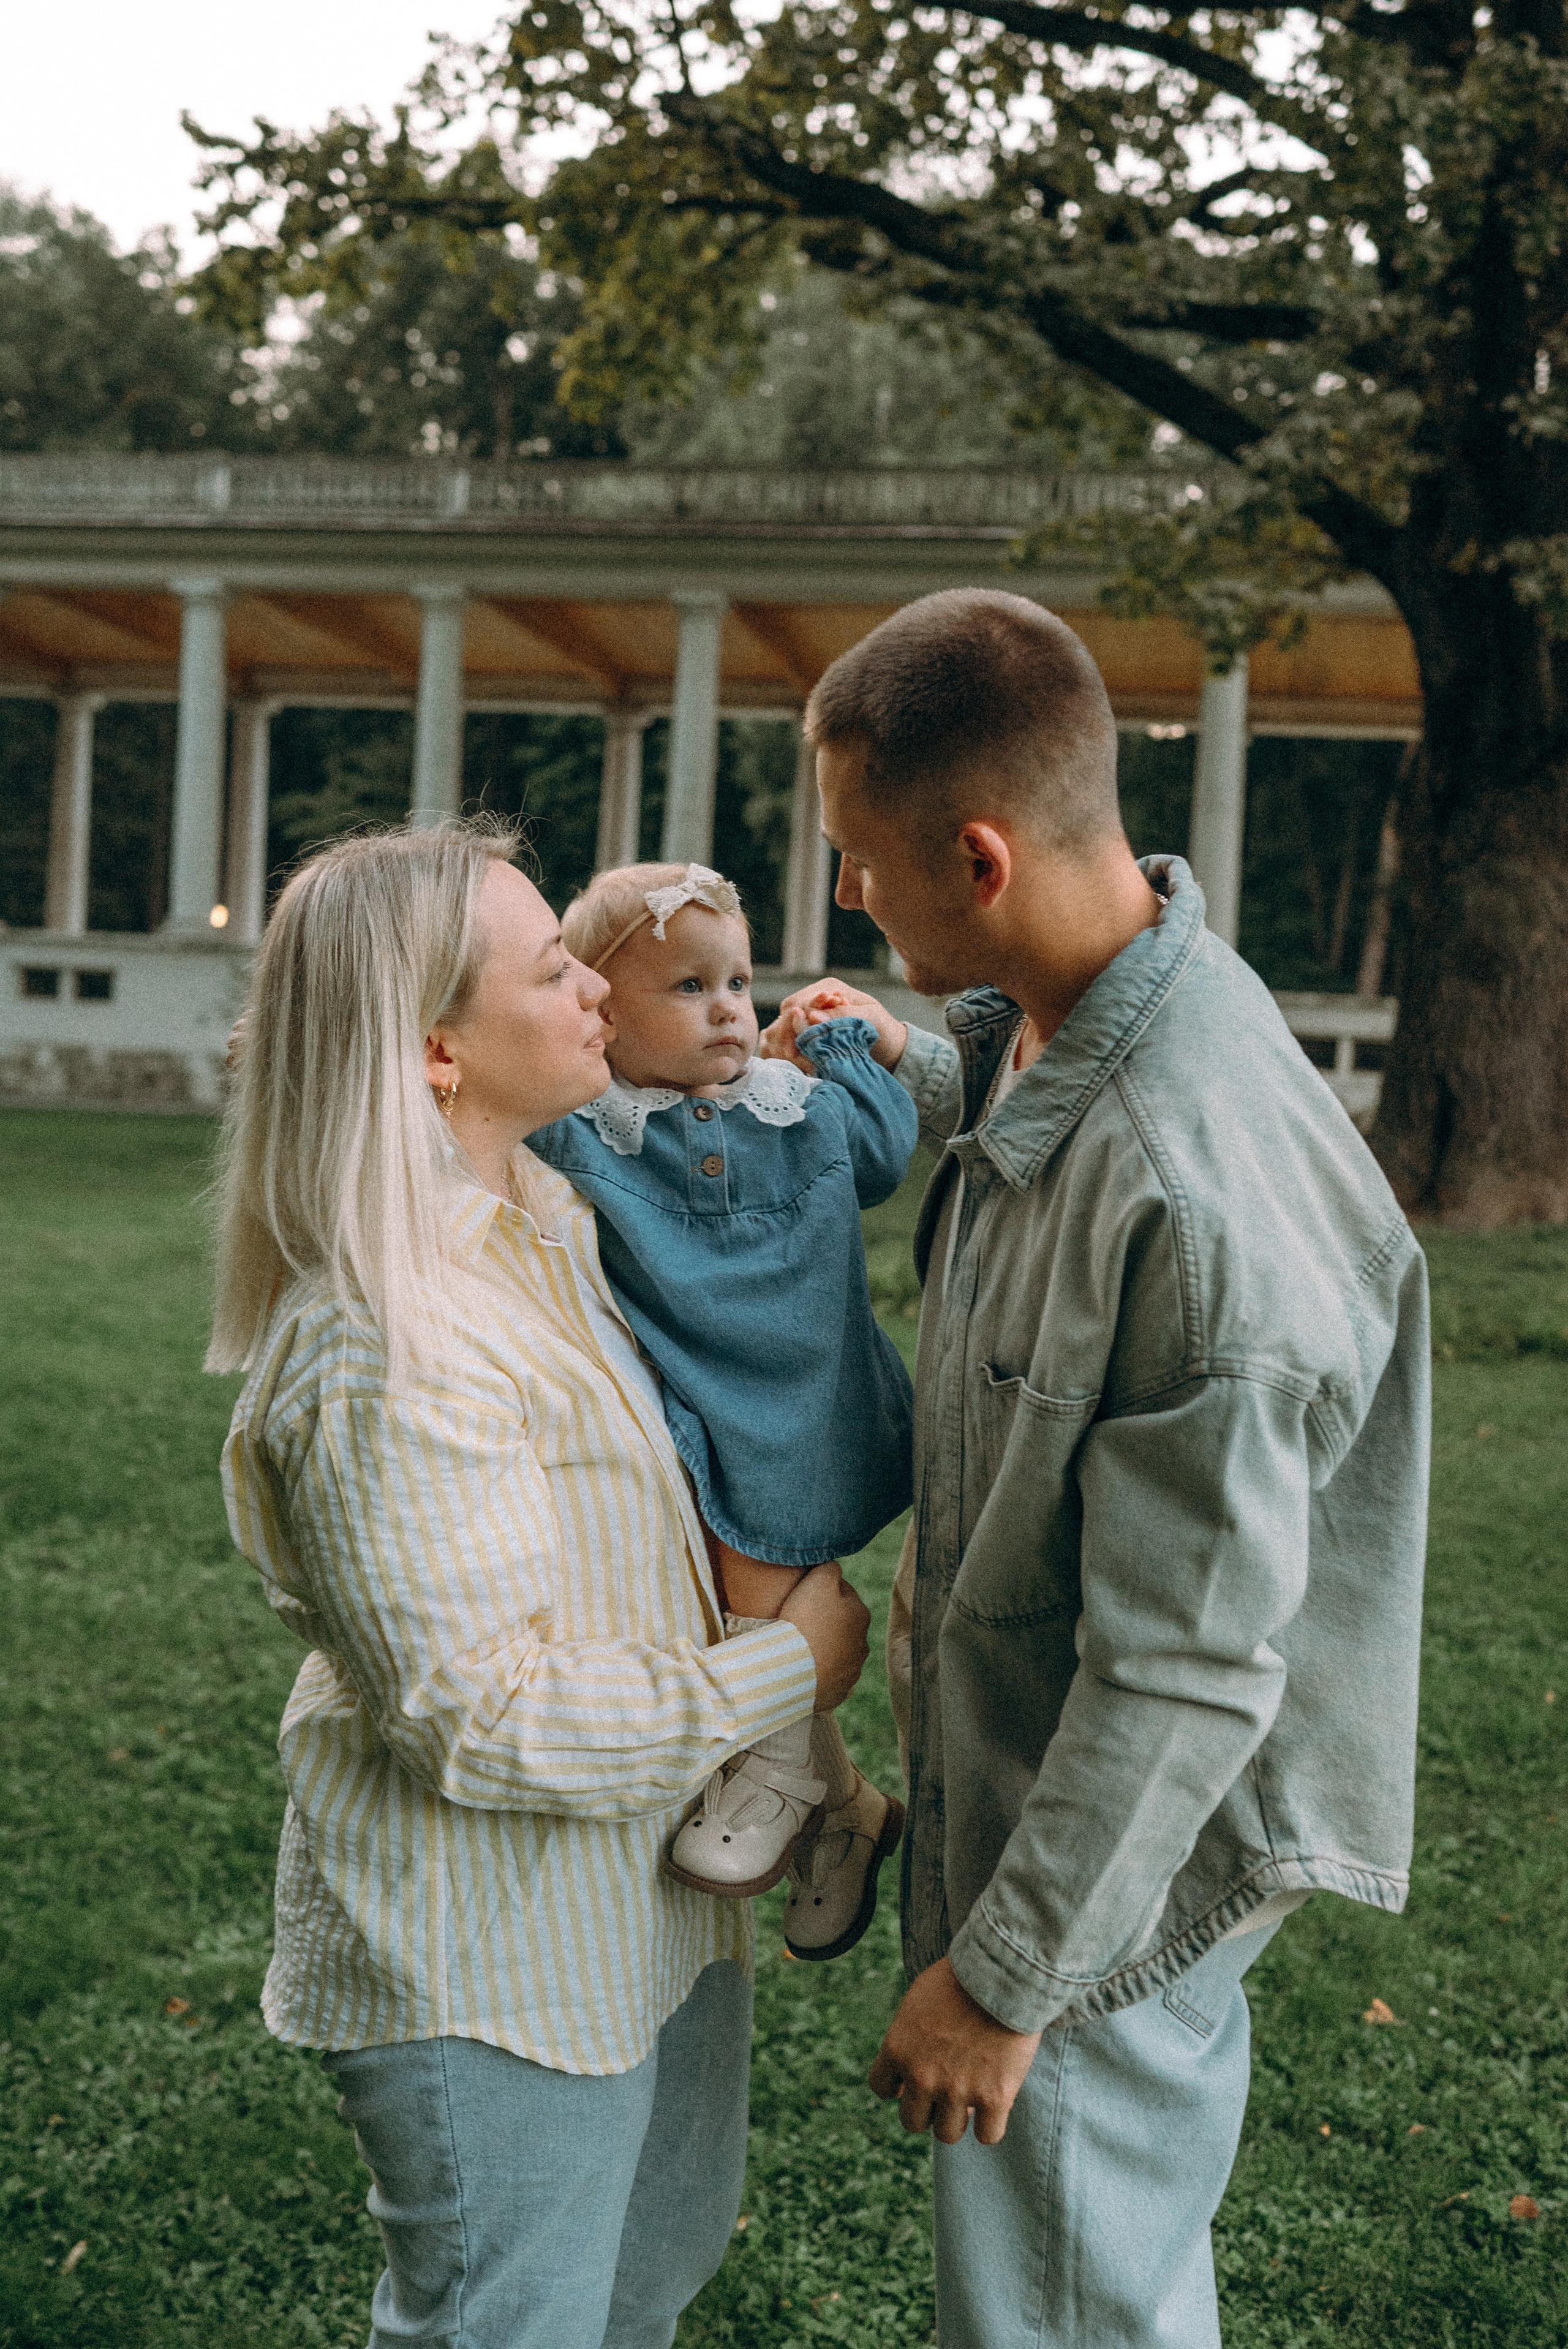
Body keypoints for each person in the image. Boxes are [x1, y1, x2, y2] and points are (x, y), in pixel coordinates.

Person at [763, 589, 1430, 2348]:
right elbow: (1021, 1097)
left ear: (978, 856)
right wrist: (896, 1051)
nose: (851, 892)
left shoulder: (1200, 1216)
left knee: (1071, 2303)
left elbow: (1189, 1665)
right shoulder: (1093, 987)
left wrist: (1004, 1978)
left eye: (861, 860)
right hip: (1059, 1795)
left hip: (1115, 1864)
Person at [206, 819, 870, 2349]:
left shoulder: (550, 1232)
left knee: (640, 2284)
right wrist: (791, 1672)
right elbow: (476, 1715)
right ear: (436, 1047)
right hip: (490, 1954)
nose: (597, 985)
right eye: (556, 963)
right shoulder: (388, 1341)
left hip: (634, 1910)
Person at [529, 858, 916, 1958]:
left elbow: (887, 1152)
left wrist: (849, 1049)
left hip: (810, 1395)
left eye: (739, 981)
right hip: (702, 1401)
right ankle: (847, 1808)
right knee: (713, 1571)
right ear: (601, 1010)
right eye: (688, 987)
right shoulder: (594, 1124)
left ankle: (785, 1769)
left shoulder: (800, 1108)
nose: (731, 1008)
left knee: (756, 1570)